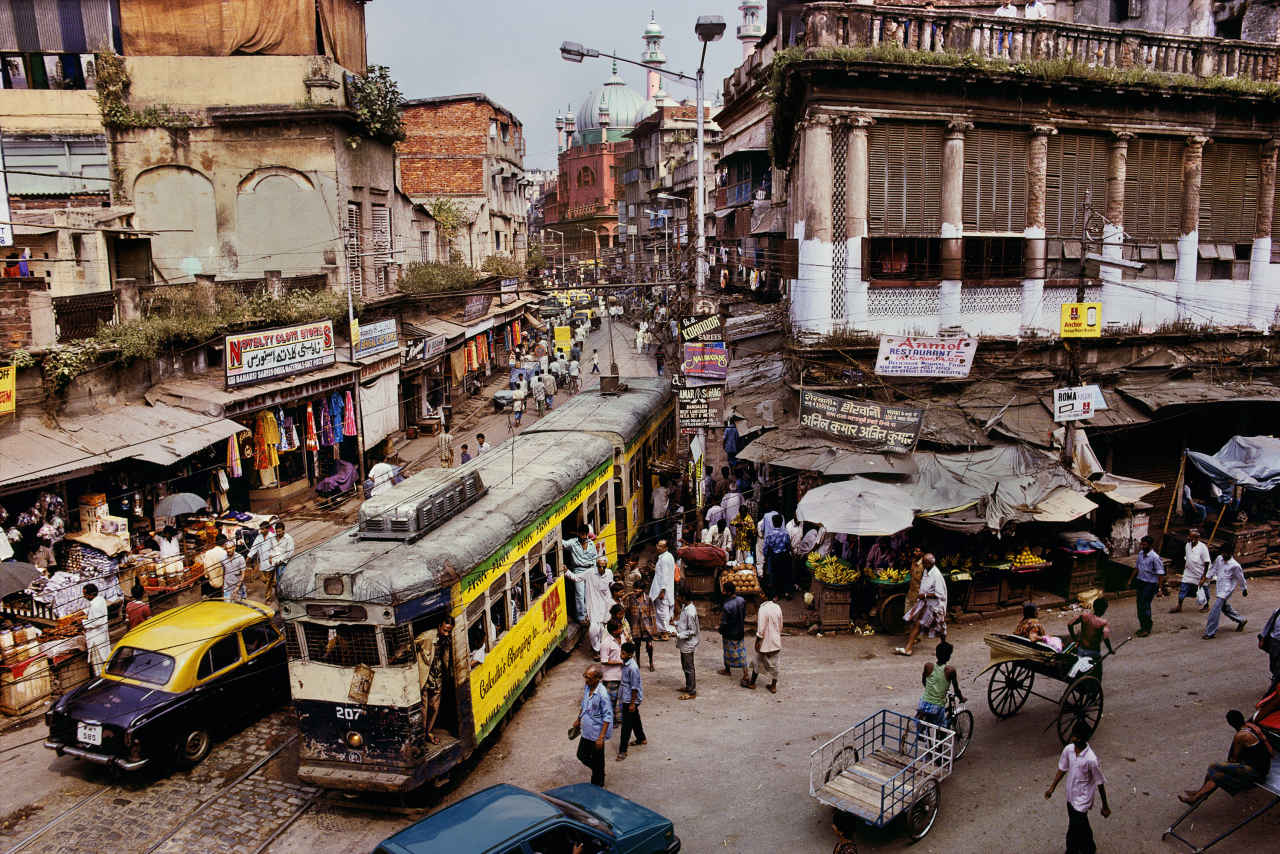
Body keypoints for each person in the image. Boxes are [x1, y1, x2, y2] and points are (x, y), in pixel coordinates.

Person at [1179, 709, 1274, 805]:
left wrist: (1228, 766)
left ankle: (1197, 796)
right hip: (1262, 768)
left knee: (1214, 767)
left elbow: (1233, 759)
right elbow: (1269, 752)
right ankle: (1198, 794)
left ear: (1230, 723)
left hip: (1255, 772)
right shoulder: (1251, 727)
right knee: (1217, 774)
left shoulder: (1241, 736)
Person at [1045, 722, 1111, 854]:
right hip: (1071, 796)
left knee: (1074, 827)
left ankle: (1072, 850)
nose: (1072, 737)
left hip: (1082, 800)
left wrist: (1105, 805)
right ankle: (1089, 848)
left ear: (1080, 738)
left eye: (1075, 735)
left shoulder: (1091, 759)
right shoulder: (1069, 749)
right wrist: (1052, 787)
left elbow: (1100, 783)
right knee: (1081, 825)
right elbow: (1062, 769)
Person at [896, 554, 947, 656]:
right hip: (926, 604)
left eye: (924, 562)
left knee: (939, 626)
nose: (922, 564)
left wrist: (924, 595)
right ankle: (908, 649)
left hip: (935, 605)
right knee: (918, 624)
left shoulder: (936, 575)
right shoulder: (926, 571)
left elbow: (939, 594)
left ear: (929, 563)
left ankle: (943, 645)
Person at [573, 664, 612, 787]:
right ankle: (598, 772)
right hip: (586, 731)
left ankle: (598, 782)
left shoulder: (603, 694)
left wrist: (601, 738)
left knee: (598, 759)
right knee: (581, 755)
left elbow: (607, 717)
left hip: (596, 733)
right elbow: (584, 705)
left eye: (589, 678)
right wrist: (578, 719)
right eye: (585, 676)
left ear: (597, 679)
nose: (586, 680)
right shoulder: (587, 687)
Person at [415, 617, 453, 744]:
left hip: (438, 678)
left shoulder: (446, 639)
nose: (446, 633)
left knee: (434, 708)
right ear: (439, 626)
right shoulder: (427, 636)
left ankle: (428, 732)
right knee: (424, 710)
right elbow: (411, 645)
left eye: (449, 631)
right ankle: (422, 736)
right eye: (444, 630)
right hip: (426, 678)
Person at [1203, 545, 1248, 639]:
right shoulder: (1219, 559)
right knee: (1224, 607)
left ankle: (1210, 632)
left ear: (1231, 554)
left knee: (1215, 609)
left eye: (1226, 554)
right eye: (1223, 553)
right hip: (1219, 587)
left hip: (1226, 590)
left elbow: (1241, 578)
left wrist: (1244, 589)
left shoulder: (1235, 565)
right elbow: (1213, 569)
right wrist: (1206, 578)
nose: (1224, 555)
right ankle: (1241, 620)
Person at [916, 640, 964, 726]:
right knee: (941, 728)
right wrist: (961, 698)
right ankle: (941, 735)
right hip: (937, 706)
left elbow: (924, 682)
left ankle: (921, 733)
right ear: (949, 656)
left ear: (936, 654)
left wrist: (932, 690)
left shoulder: (928, 666)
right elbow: (956, 690)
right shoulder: (950, 670)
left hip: (923, 703)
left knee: (923, 720)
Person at [745, 590, 782, 693]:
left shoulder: (763, 609)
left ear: (764, 596)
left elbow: (761, 629)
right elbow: (780, 626)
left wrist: (758, 641)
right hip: (775, 640)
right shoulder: (777, 607)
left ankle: (752, 683)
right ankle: (773, 686)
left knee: (757, 661)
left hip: (764, 642)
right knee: (775, 664)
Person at [1127, 535, 1165, 636]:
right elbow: (1137, 568)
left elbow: (1160, 574)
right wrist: (1130, 580)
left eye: (1144, 544)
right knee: (1139, 605)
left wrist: (1160, 588)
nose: (1142, 546)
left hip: (1150, 584)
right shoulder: (1140, 554)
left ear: (1149, 545)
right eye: (1141, 544)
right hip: (1141, 582)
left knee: (1145, 605)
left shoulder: (1155, 558)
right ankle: (1143, 626)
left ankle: (1147, 628)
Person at [616, 641, 647, 760]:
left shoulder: (632, 668)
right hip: (626, 697)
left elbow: (634, 687)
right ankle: (641, 738)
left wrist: (632, 703)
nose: (621, 655)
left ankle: (622, 750)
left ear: (630, 655)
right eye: (621, 652)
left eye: (623, 654)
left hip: (630, 699)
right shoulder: (625, 664)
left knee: (626, 726)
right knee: (635, 718)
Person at [1068, 597, 1113, 676]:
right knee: (1098, 673)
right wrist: (1110, 650)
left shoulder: (1084, 616)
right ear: (1104, 609)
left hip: (1081, 650)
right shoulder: (1103, 622)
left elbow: (1070, 624)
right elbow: (1106, 637)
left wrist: (1074, 638)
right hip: (1093, 653)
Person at [1172, 528, 1211, 613]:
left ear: (1197, 538)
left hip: (1200, 572)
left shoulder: (1203, 547)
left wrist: (1204, 577)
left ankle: (1206, 605)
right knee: (1183, 588)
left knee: (1204, 589)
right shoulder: (1187, 545)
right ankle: (1179, 605)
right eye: (1190, 536)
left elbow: (1207, 562)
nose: (1190, 538)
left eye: (1193, 537)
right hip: (1189, 572)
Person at [624, 576, 657, 671]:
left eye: (638, 589)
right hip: (635, 626)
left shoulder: (648, 599)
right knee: (637, 646)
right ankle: (638, 662)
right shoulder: (631, 599)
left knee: (649, 645)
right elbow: (627, 611)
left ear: (642, 590)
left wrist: (654, 628)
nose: (635, 591)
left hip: (647, 626)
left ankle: (651, 662)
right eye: (634, 589)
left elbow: (653, 613)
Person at [718, 581, 748, 680]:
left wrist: (720, 629)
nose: (722, 592)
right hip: (740, 630)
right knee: (742, 653)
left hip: (729, 632)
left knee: (727, 651)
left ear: (728, 592)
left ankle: (727, 670)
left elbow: (724, 622)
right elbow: (744, 615)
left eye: (724, 590)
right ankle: (746, 673)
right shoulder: (742, 600)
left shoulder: (727, 606)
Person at [759, 510, 792, 598]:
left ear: (773, 523)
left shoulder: (769, 534)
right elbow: (788, 545)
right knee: (785, 574)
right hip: (784, 556)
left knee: (774, 575)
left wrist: (766, 556)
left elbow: (766, 548)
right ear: (781, 523)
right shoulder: (785, 533)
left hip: (774, 557)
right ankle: (787, 592)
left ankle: (775, 595)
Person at [674, 593, 700, 700]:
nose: (678, 599)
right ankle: (689, 686)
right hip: (684, 642)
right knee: (685, 666)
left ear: (684, 597)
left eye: (679, 596)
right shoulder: (686, 607)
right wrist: (675, 623)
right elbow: (683, 623)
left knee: (689, 667)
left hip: (688, 643)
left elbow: (692, 630)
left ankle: (692, 691)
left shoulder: (690, 612)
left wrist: (678, 635)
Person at [650, 540, 677, 636]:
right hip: (664, 588)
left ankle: (664, 631)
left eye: (661, 546)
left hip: (662, 589)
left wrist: (662, 590)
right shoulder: (667, 556)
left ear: (666, 548)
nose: (658, 547)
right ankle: (663, 629)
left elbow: (665, 575)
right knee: (663, 610)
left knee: (662, 611)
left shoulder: (665, 559)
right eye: (658, 545)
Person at [83, 583, 110, 675]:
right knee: (104, 659)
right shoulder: (100, 600)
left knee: (98, 663)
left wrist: (83, 623)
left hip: (96, 639)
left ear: (91, 595)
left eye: (85, 594)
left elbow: (97, 622)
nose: (84, 596)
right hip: (101, 635)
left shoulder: (95, 605)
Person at [599, 618, 624, 715]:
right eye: (620, 628)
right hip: (611, 677)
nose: (621, 630)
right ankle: (610, 720)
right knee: (611, 701)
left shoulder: (623, 638)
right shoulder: (606, 643)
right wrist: (619, 662)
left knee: (622, 698)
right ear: (614, 631)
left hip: (622, 675)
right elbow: (604, 661)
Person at [267, 521, 295, 602]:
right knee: (274, 579)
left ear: (283, 530)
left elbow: (289, 552)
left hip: (283, 563)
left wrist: (281, 560)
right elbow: (271, 549)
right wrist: (270, 556)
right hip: (274, 562)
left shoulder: (288, 539)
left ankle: (284, 596)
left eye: (280, 531)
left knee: (282, 579)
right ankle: (279, 594)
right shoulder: (273, 538)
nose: (278, 533)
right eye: (277, 531)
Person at [1260, 603, 1280, 685]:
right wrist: (1262, 638)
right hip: (1274, 642)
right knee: (1273, 665)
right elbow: (1268, 625)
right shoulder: (1277, 611)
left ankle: (1275, 685)